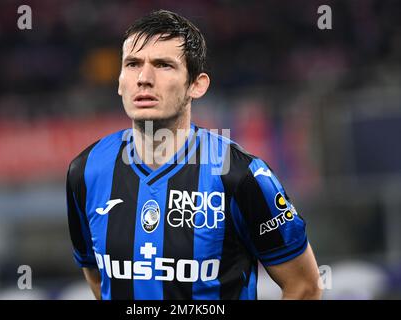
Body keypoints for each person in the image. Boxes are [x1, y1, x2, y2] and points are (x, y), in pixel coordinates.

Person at [66, 9, 322, 300]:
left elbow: (304, 285)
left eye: (163, 65)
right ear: (120, 80)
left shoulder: (241, 176)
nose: (144, 78)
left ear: (196, 85)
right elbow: (100, 279)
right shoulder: (85, 172)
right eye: (133, 64)